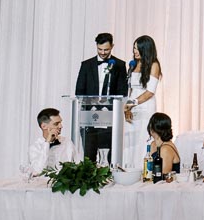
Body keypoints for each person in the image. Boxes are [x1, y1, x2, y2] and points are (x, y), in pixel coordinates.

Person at [74, 32, 129, 160]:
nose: (103, 52)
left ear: (112, 46)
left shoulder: (120, 65)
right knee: (89, 155)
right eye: (100, 49)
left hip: (110, 117)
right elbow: (79, 90)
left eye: (106, 49)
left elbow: (122, 91)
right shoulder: (86, 65)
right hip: (89, 117)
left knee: (111, 156)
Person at [125, 35, 162, 166]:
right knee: (129, 138)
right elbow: (129, 88)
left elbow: (150, 92)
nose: (135, 51)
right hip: (130, 106)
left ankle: (142, 168)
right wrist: (126, 106)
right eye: (134, 48)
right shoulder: (133, 64)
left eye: (138, 49)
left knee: (142, 137)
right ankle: (128, 167)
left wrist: (131, 104)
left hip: (145, 105)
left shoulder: (154, 65)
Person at [27, 108, 78, 174]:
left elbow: (78, 163)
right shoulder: (34, 148)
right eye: (56, 124)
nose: (61, 126)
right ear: (44, 126)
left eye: (60, 123)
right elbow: (38, 171)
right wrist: (47, 143)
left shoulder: (67, 142)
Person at [147, 112, 180, 181]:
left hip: (166, 186)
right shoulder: (153, 144)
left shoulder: (166, 149)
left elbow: (163, 177)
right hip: (154, 183)